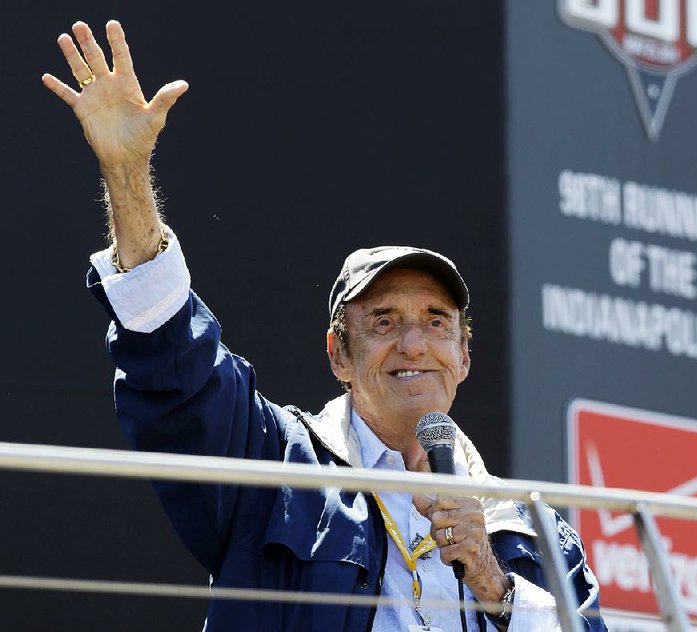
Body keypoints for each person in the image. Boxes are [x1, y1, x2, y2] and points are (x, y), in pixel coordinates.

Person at [43, 20, 606, 632]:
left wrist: (496, 583)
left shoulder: (534, 530)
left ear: (464, 356)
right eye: (384, 321)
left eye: (436, 322)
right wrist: (127, 174)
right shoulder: (279, 466)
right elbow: (176, 363)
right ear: (339, 355)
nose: (413, 343)